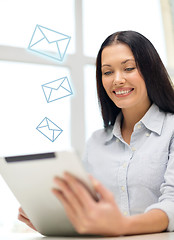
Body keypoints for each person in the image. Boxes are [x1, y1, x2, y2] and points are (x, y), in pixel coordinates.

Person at [18, 30, 174, 236]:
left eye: (128, 68)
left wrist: (121, 226)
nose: (117, 80)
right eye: (107, 72)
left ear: (150, 70)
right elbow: (89, 211)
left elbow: (172, 204)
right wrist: (55, 221)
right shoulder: (96, 142)